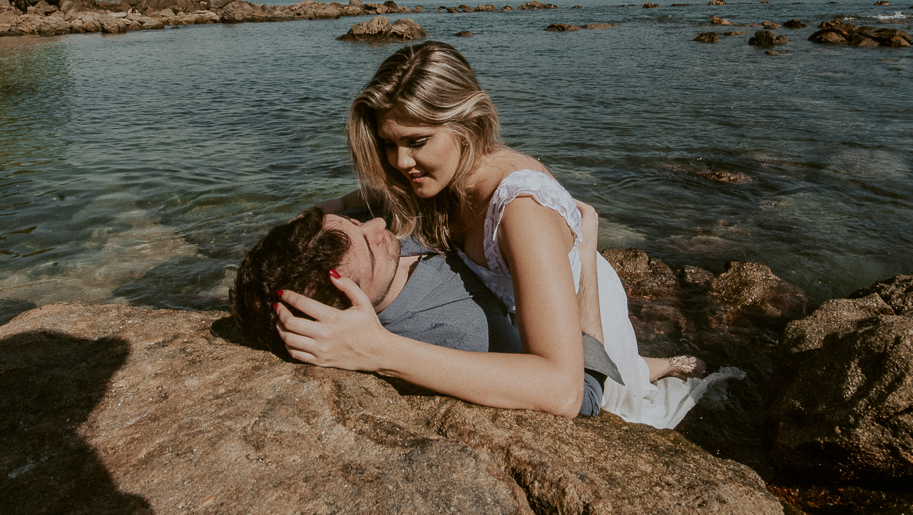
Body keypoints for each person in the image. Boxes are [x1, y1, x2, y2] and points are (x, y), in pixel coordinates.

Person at [275, 41, 739, 426]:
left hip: (572, 314)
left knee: (621, 400)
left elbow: (562, 389)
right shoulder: (432, 174)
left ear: (467, 125)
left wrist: (378, 350)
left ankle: (653, 369)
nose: (398, 162)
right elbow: (353, 200)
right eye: (388, 143)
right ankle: (652, 366)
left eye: (416, 142)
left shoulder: (520, 209)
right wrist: (305, 227)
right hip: (531, 309)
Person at [230, 205, 615, 416]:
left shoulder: (372, 254)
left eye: (357, 222)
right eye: (373, 247)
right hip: (571, 292)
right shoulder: (456, 334)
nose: (379, 224)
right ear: (352, 309)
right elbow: (583, 395)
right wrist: (586, 256)